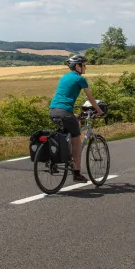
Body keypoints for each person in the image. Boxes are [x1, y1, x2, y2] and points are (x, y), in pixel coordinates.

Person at [49, 54, 104, 183]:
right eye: (84, 65)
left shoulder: (65, 77)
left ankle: (56, 161)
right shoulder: (80, 79)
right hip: (64, 112)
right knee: (77, 141)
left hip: (53, 110)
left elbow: (63, 97)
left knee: (72, 127)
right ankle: (77, 173)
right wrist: (99, 111)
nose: (85, 67)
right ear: (77, 66)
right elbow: (90, 98)